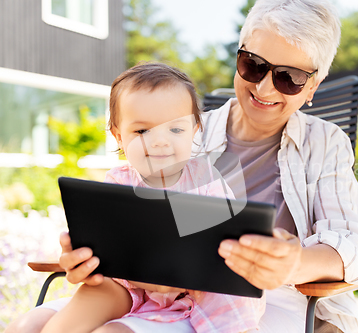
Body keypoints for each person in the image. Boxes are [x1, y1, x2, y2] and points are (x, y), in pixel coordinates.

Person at [7, 0, 358, 332]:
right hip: (144, 288)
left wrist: (292, 264)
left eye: (289, 78)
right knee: (31, 325)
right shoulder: (183, 129)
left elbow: (352, 242)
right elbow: (132, 207)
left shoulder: (324, 143)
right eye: (254, 65)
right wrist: (93, 254)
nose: (263, 89)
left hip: (257, 298)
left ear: (312, 86)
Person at [19, 63, 266, 333]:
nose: (159, 141)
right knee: (29, 326)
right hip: (125, 286)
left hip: (191, 297)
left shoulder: (206, 182)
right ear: (118, 136)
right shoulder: (118, 183)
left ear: (195, 130)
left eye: (175, 130)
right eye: (142, 131)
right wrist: (83, 255)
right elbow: (103, 249)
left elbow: (225, 258)